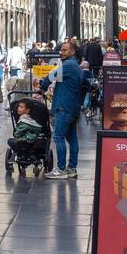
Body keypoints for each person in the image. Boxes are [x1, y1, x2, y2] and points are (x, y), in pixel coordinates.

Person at [40, 39, 84, 179]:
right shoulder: (76, 66)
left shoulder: (68, 65)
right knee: (72, 139)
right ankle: (72, 168)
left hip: (64, 106)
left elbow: (51, 76)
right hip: (73, 106)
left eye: (64, 50)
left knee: (59, 137)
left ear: (72, 51)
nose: (61, 52)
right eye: (61, 50)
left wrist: (43, 86)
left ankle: (60, 169)